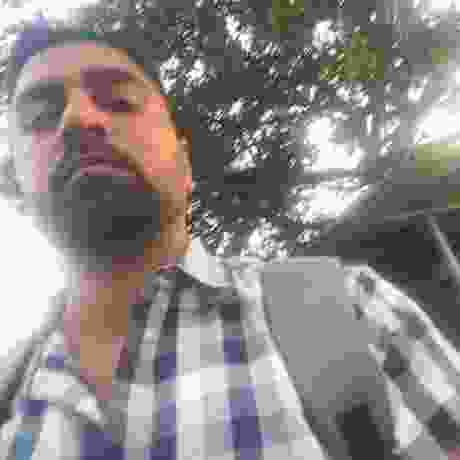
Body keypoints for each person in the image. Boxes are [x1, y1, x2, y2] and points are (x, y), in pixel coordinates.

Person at [1, 17, 460, 460]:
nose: (77, 118)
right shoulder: (10, 388)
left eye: (119, 100)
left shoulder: (351, 309)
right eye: (41, 116)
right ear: (18, 182)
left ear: (185, 165)